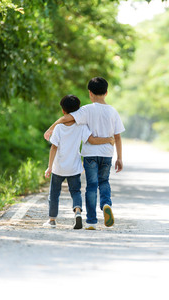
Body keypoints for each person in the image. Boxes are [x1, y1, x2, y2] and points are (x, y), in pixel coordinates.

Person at [44, 77, 125, 230]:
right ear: (106, 92)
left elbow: (66, 118)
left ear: (90, 93)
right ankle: (106, 203)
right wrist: (119, 158)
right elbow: (118, 137)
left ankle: (92, 221)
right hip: (107, 154)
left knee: (92, 186)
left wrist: (51, 127)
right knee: (104, 182)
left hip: (89, 156)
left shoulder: (86, 110)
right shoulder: (113, 111)